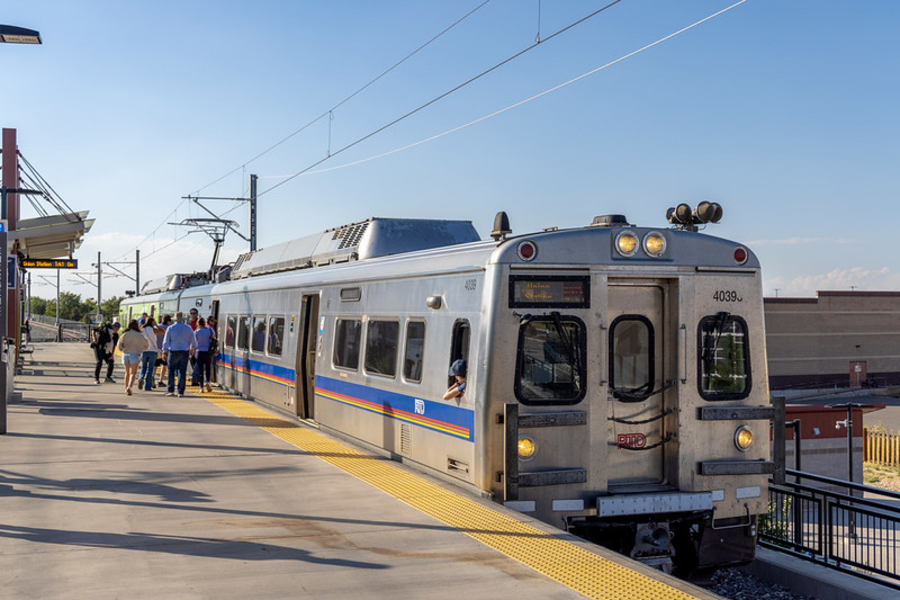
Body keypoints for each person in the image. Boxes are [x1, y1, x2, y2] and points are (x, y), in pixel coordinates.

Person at [162, 311, 194, 397]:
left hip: (173, 351)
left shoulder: (170, 328)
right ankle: (180, 392)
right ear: (183, 319)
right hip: (184, 352)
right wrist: (192, 349)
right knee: (182, 371)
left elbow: (166, 341)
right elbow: (194, 341)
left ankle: (171, 390)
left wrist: (164, 351)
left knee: (171, 370)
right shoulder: (188, 328)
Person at [117, 320, 150, 396]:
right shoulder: (139, 335)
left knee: (127, 372)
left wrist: (122, 349)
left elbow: (119, 344)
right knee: (133, 373)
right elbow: (146, 344)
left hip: (125, 354)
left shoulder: (125, 334)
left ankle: (126, 388)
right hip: (135, 354)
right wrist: (142, 349)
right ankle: (130, 387)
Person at [138, 317, 163, 391]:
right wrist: (157, 325)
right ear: (153, 322)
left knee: (143, 367)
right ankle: (147, 386)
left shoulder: (142, 329)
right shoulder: (153, 329)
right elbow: (163, 332)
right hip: (153, 351)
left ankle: (141, 378)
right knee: (150, 369)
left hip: (144, 351)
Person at [192, 317, 214, 393]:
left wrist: (191, 352)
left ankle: (201, 388)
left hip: (199, 352)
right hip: (208, 352)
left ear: (198, 323)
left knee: (201, 370)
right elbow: (213, 338)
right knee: (208, 369)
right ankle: (208, 382)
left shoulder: (196, 332)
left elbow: (194, 343)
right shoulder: (210, 330)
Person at [155, 314, 171, 387]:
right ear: (168, 321)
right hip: (165, 350)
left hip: (156, 348)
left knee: (155, 365)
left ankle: (151, 378)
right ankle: (160, 380)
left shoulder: (156, 326)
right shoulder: (169, 328)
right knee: (164, 366)